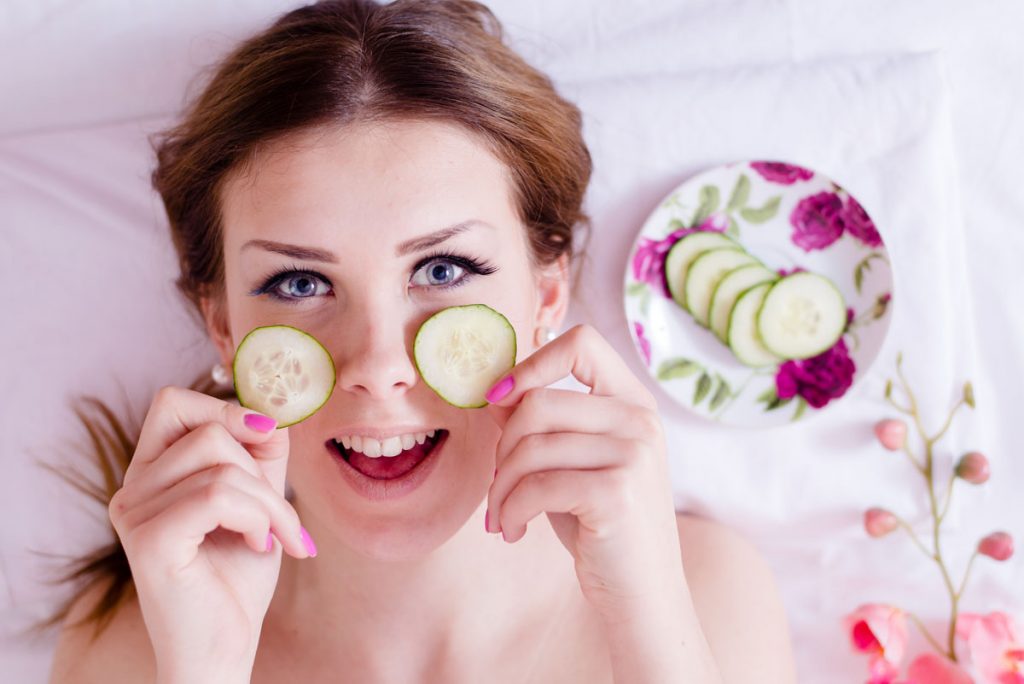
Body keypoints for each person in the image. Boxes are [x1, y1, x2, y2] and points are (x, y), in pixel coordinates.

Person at [44, 1, 797, 681]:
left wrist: (649, 629)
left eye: (443, 269)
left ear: (545, 296)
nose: (377, 368)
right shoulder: (123, 655)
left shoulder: (701, 599)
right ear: (223, 326)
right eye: (300, 283)